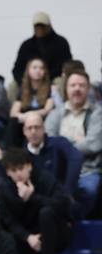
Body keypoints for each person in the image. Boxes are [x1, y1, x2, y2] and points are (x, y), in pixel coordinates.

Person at [0, 148, 73, 254]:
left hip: (55, 233)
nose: (18, 174)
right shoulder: (5, 189)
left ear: (29, 166)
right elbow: (8, 220)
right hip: (27, 238)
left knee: (47, 212)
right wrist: (28, 237)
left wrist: (33, 197)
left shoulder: (44, 178)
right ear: (8, 172)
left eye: (21, 168)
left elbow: (64, 206)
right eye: (14, 170)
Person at [45, 70, 102, 217]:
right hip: (58, 169)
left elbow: (93, 144)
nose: (77, 89)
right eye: (73, 85)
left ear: (88, 89)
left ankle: (70, 222)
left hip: (87, 170)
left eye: (81, 85)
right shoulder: (55, 113)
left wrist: (64, 144)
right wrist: (75, 142)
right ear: (66, 89)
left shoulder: (97, 113)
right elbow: (49, 141)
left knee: (89, 191)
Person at [22, 111, 82, 203]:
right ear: (24, 131)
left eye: (37, 127)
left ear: (43, 129)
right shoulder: (22, 154)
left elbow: (76, 158)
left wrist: (67, 191)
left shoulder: (59, 143)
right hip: (37, 201)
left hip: (61, 198)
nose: (33, 132)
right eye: (29, 128)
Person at [12, 12, 72, 85]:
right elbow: (17, 68)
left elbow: (65, 66)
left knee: (59, 82)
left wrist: (44, 77)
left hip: (52, 79)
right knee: (13, 86)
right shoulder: (26, 45)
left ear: (49, 26)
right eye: (37, 26)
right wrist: (24, 81)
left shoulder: (61, 43)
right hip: (30, 80)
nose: (40, 29)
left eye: (43, 26)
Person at [8, 58, 55, 147]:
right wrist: (22, 116)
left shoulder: (50, 88)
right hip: (25, 119)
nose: (38, 70)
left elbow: (47, 110)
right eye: (35, 68)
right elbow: (13, 113)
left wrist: (30, 115)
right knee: (13, 122)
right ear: (28, 71)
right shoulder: (23, 89)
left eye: (41, 68)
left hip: (41, 118)